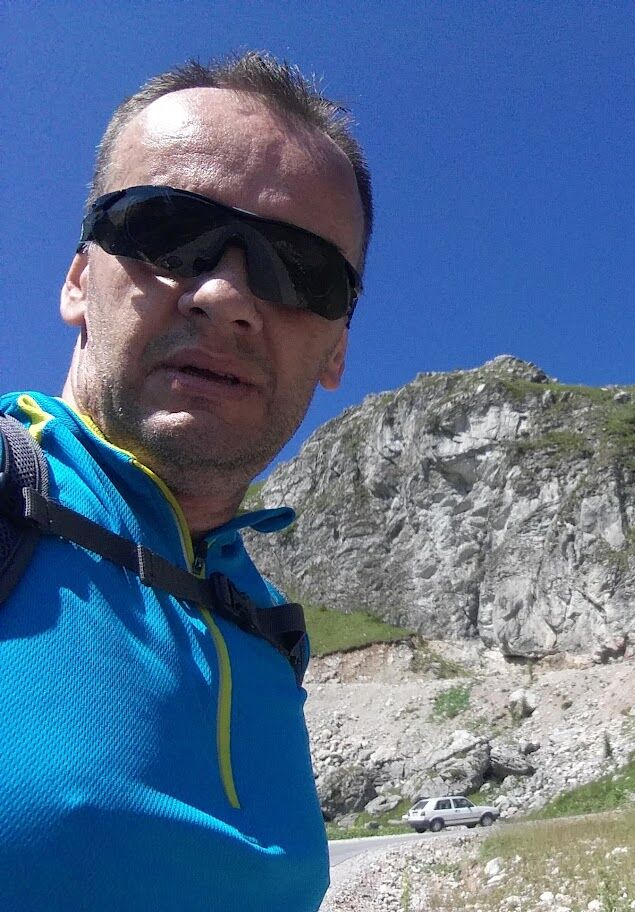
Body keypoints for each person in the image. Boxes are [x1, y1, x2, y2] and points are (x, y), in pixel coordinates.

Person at [0, 52, 372, 911]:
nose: (226, 295)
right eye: (167, 228)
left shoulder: (269, 632)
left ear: (336, 351)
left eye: (301, 270)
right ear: (78, 280)